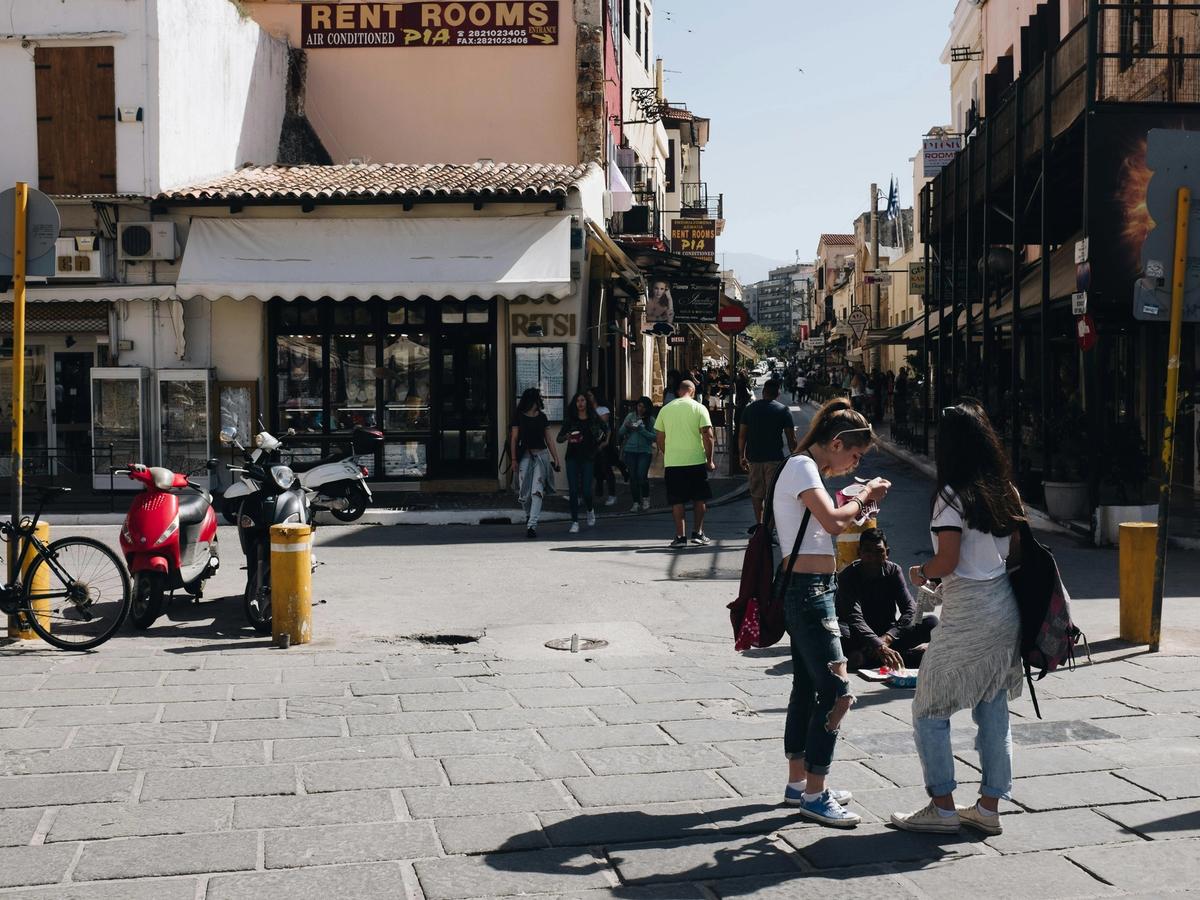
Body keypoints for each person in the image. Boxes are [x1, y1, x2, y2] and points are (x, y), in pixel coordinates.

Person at [890, 399, 1025, 838]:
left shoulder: (951, 496)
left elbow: (946, 560)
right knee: (993, 710)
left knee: (928, 708)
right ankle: (988, 807)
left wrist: (920, 571)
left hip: (968, 612)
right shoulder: (1005, 489)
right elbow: (1016, 553)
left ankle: (943, 806)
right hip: (1004, 608)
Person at [773, 398, 890, 827]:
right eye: (854, 456)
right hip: (809, 592)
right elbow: (834, 523)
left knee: (806, 688)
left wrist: (858, 501)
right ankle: (816, 794)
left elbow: (826, 523)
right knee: (838, 693)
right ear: (837, 443)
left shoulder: (807, 470)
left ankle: (798, 783)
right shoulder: (803, 467)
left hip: (814, 587)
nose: (852, 464)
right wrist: (863, 495)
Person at [836, 528, 937, 670]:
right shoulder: (847, 577)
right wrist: (877, 644)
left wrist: (887, 638)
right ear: (859, 553)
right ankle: (905, 658)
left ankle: (869, 660)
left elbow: (910, 610)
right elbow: (854, 619)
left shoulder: (894, 571)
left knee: (931, 622)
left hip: (888, 635)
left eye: (879, 552)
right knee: (836, 634)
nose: (873, 557)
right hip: (859, 637)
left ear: (887, 553)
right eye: (868, 551)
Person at [655, 380, 716, 548]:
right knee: (699, 498)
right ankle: (698, 533)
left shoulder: (666, 409)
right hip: (696, 460)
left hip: (674, 463)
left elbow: (659, 437)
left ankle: (680, 537)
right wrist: (709, 460)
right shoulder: (699, 408)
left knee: (677, 500)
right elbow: (708, 436)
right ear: (693, 391)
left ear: (678, 391)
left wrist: (668, 453)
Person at [738, 378, 798, 531]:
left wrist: (741, 456)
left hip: (754, 458)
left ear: (763, 392)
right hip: (774, 459)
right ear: (778, 394)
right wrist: (795, 457)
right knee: (773, 495)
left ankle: (759, 524)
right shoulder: (783, 410)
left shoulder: (749, 409)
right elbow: (791, 438)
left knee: (756, 493)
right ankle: (768, 529)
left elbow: (742, 435)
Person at [509, 388, 561, 539]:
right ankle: (528, 515)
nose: (540, 402)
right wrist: (513, 459)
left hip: (541, 457)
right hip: (524, 456)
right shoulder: (518, 417)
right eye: (538, 399)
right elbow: (514, 439)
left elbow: (549, 439)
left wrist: (555, 457)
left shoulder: (542, 417)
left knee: (537, 491)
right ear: (532, 400)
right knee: (524, 493)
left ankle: (532, 525)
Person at [557, 393, 606, 534]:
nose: (580, 403)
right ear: (575, 403)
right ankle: (574, 522)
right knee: (573, 490)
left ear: (587, 403)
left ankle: (590, 509)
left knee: (586, 490)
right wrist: (567, 436)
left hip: (588, 457)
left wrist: (602, 442)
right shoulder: (570, 420)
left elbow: (605, 429)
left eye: (583, 400)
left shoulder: (593, 418)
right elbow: (559, 438)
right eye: (578, 400)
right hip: (572, 457)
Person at [619, 396, 657, 512]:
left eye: (644, 407)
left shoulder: (650, 420)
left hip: (644, 451)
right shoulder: (631, 416)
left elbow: (655, 436)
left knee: (641, 475)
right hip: (630, 450)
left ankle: (645, 498)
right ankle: (636, 502)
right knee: (633, 477)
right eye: (639, 405)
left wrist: (642, 430)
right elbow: (620, 432)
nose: (641, 409)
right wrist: (627, 426)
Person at [587, 389, 620, 507]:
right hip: (590, 443)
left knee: (606, 469)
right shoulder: (587, 409)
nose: (588, 397)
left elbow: (606, 426)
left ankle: (612, 495)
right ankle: (592, 493)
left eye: (590, 395)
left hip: (602, 443)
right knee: (593, 469)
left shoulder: (603, 410)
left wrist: (606, 441)